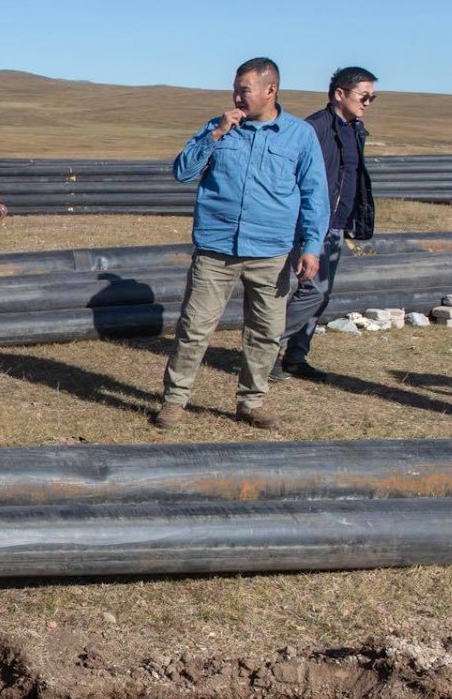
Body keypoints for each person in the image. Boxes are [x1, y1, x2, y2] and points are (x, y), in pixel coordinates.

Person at [152, 57, 327, 432]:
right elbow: (182, 171)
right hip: (216, 249)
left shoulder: (300, 136)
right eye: (234, 89)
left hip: (271, 253)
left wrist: (312, 245)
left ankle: (251, 403)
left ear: (270, 90)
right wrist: (215, 134)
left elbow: (315, 194)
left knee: (264, 332)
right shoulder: (219, 127)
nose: (236, 97)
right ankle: (174, 400)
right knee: (195, 328)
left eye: (244, 90)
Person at [275, 67, 378, 382]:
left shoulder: (354, 129)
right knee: (313, 291)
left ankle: (295, 357)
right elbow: (294, 176)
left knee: (322, 294)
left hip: (337, 224)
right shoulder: (314, 128)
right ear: (339, 94)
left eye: (372, 98)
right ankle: (265, 350)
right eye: (364, 96)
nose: (368, 102)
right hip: (313, 223)